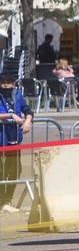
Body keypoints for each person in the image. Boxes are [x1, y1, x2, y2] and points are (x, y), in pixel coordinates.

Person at [0, 67, 33, 213]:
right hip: (1, 139)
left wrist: (28, 121)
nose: (6, 85)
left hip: (14, 140)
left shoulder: (17, 94)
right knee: (1, 171)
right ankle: (2, 201)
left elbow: (27, 110)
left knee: (15, 170)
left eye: (9, 82)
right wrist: (11, 116)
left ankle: (7, 199)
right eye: (3, 82)